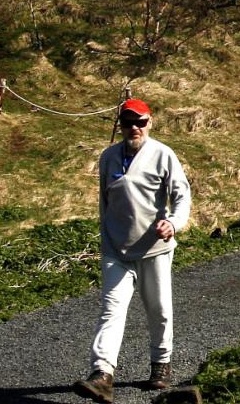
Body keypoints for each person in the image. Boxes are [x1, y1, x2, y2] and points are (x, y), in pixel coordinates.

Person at [74, 98, 191, 403]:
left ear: (150, 122)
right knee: (111, 310)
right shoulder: (108, 157)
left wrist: (173, 223)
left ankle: (161, 363)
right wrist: (106, 239)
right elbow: (104, 203)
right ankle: (102, 374)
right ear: (120, 125)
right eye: (128, 122)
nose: (134, 128)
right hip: (116, 249)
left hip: (155, 248)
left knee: (159, 309)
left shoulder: (163, 154)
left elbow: (182, 196)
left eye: (140, 122)